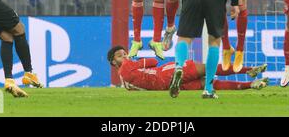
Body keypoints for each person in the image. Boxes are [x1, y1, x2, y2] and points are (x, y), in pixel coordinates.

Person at [107, 46, 268, 91]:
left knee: (210, 85)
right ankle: (248, 70)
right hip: (166, 72)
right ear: (114, 62)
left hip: (168, 87)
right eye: (120, 56)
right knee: (207, 68)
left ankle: (249, 85)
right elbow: (152, 62)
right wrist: (136, 61)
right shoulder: (127, 66)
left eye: (125, 54)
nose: (126, 57)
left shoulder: (125, 84)